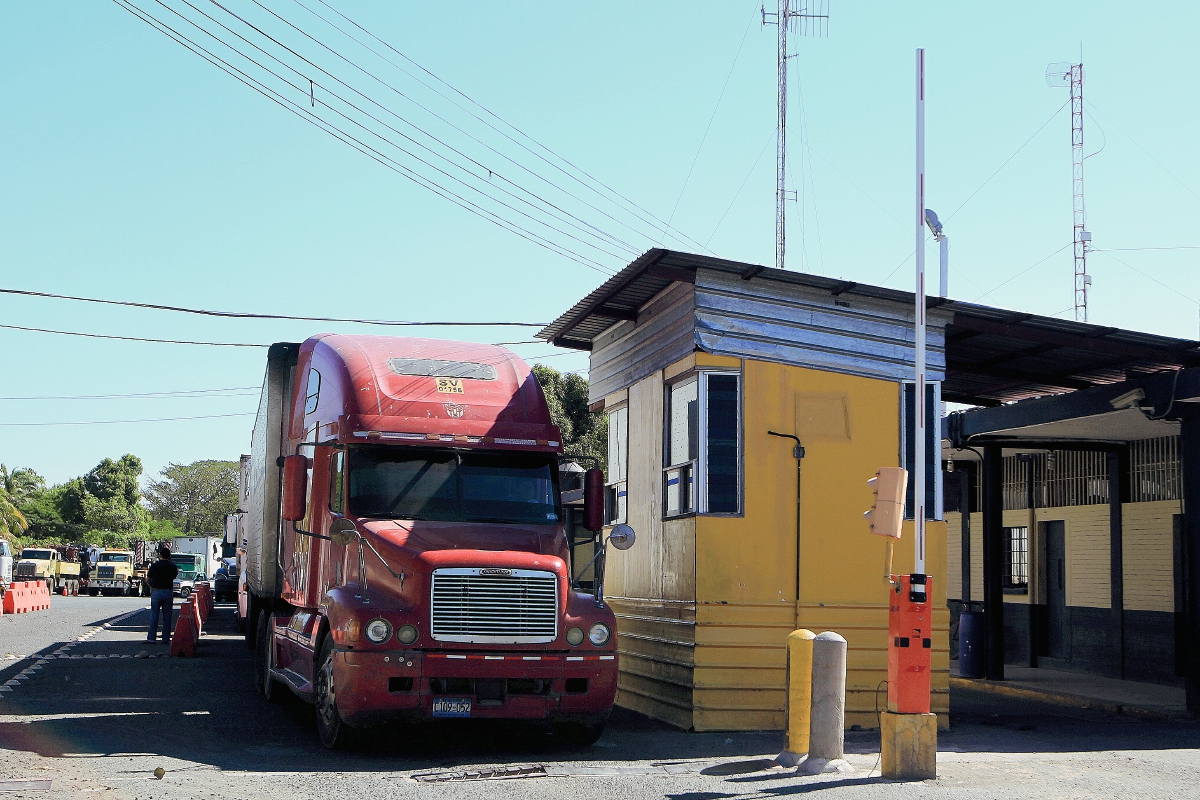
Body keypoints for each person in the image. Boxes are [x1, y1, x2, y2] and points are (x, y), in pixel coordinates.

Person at [146, 547, 179, 643]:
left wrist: (153, 587)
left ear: (160, 555)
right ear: (169, 556)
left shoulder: (155, 566)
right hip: (168, 592)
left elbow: (147, 579)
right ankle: (165, 638)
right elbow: (174, 576)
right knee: (167, 617)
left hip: (157, 591)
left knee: (154, 616)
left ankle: (151, 638)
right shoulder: (172, 566)